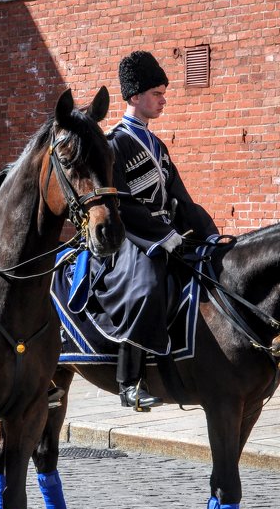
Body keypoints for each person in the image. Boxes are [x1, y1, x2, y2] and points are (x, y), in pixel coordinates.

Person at [89, 50, 218, 410]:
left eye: (163, 93)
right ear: (134, 97)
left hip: (167, 232)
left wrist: (210, 235)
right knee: (145, 287)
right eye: (157, 93)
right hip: (131, 238)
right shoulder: (114, 143)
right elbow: (121, 205)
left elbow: (181, 197)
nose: (163, 100)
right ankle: (128, 382)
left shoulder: (156, 143)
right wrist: (161, 236)